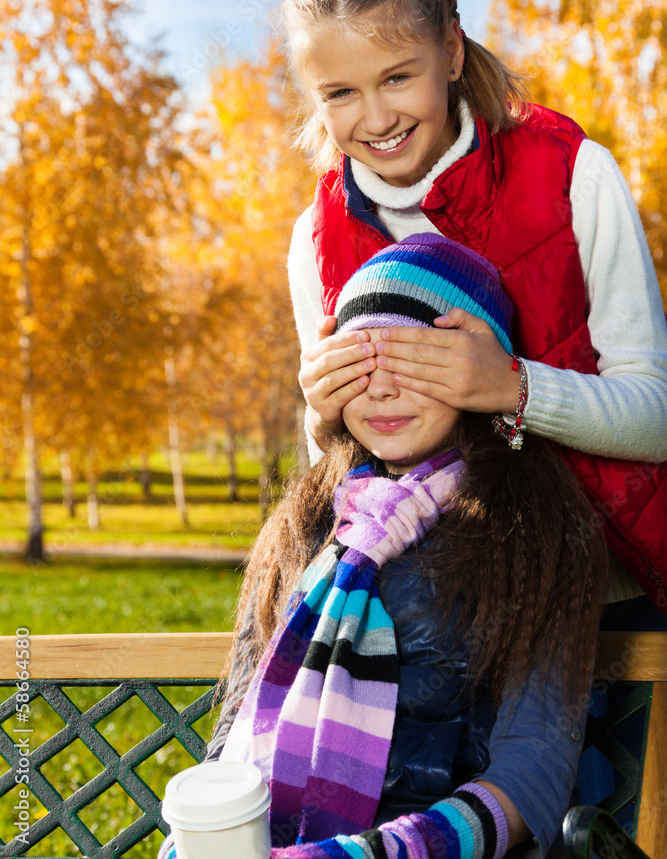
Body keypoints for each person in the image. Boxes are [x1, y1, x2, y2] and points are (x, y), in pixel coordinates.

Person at [159, 233, 608, 859]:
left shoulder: (537, 527)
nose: (380, 391)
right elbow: (239, 724)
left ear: (476, 374)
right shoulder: (309, 519)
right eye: (358, 365)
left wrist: (372, 854)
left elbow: (534, 771)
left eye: (412, 363)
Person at [284, 0, 667, 616]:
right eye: (339, 92)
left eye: (398, 76)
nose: (376, 118)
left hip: (607, 602)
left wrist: (510, 387)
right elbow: (335, 468)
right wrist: (320, 413)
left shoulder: (573, 174)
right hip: (421, 611)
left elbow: (656, 418)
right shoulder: (315, 237)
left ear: (451, 52)